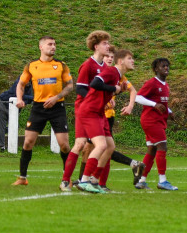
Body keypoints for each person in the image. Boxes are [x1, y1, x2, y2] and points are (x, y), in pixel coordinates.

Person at [11, 36, 73, 186]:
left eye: (54, 44)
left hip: (57, 107)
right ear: (41, 47)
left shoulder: (61, 65)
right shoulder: (31, 66)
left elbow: (70, 85)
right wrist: (19, 99)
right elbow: (21, 84)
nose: (53, 47)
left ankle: (67, 179)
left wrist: (56, 97)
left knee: (64, 145)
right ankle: (22, 178)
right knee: (28, 142)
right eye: (50, 44)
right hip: (38, 108)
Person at [74, 47, 136, 194]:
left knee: (110, 147)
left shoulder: (118, 76)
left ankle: (95, 180)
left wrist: (113, 92)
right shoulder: (112, 71)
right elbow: (95, 83)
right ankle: (84, 181)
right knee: (100, 146)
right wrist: (112, 89)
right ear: (120, 61)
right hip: (90, 112)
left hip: (99, 113)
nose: (133, 61)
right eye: (130, 58)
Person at [61, 30, 112, 190]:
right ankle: (70, 180)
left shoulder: (105, 67)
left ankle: (91, 181)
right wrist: (95, 100)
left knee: (95, 145)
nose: (108, 46)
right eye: (104, 43)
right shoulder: (88, 65)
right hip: (85, 109)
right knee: (83, 144)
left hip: (97, 111)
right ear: (96, 46)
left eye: (108, 43)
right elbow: (81, 89)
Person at [135, 57, 177, 190]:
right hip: (151, 120)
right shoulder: (152, 83)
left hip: (158, 120)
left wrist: (169, 111)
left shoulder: (165, 85)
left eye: (167, 66)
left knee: (152, 150)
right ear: (156, 69)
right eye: (163, 66)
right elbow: (138, 97)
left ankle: (141, 180)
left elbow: (162, 103)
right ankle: (162, 181)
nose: (166, 68)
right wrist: (154, 104)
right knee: (162, 146)